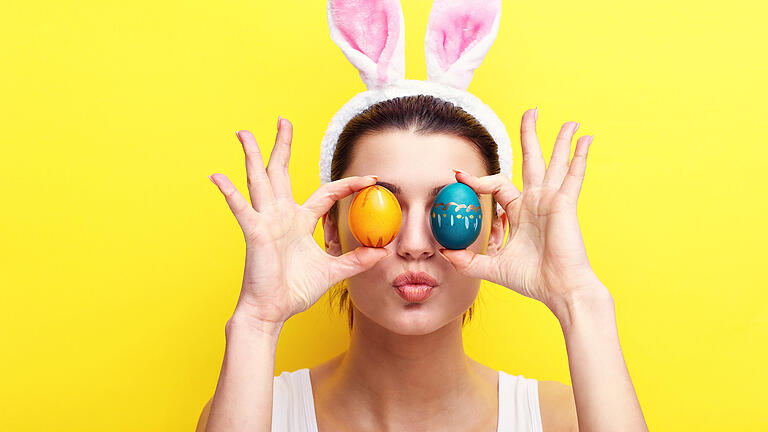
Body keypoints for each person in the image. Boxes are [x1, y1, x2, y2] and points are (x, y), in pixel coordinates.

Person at [196, 0, 648, 430]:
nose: (414, 244)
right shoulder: (252, 412)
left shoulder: (564, 420)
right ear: (331, 229)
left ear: (495, 233)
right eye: (384, 206)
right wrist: (257, 321)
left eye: (451, 207)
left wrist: (579, 299)